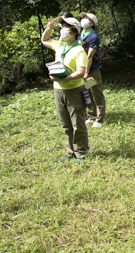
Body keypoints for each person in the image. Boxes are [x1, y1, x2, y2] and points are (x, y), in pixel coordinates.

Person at [41, 16, 89, 163]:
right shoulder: (60, 46)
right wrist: (48, 28)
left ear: (74, 32)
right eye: (61, 27)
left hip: (73, 90)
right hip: (58, 90)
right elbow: (44, 40)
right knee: (66, 124)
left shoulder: (79, 51)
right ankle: (70, 152)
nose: (62, 30)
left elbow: (81, 72)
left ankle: (81, 152)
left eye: (66, 28)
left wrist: (63, 79)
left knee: (77, 123)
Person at [79, 12, 106, 128]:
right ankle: (91, 116)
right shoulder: (81, 34)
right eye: (83, 18)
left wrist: (86, 71)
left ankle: (99, 119)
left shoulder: (93, 37)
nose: (83, 19)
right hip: (84, 69)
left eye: (86, 18)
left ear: (92, 23)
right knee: (88, 93)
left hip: (92, 70)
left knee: (96, 93)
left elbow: (89, 56)